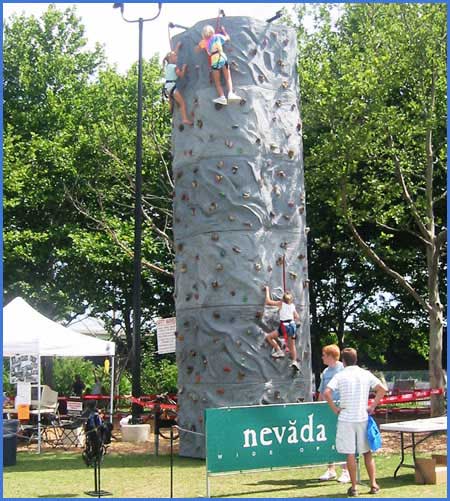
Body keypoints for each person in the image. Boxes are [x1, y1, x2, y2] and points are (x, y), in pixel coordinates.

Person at [324, 348, 387, 497]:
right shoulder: (365, 374)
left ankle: (354, 487)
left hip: (346, 418)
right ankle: (373, 484)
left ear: (343, 361)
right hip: (362, 417)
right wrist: (372, 406)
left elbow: (327, 392)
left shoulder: (340, 375)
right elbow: (382, 389)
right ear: (356, 359)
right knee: (367, 453)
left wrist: (335, 409)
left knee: (350, 453)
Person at [317, 344, 350, 483]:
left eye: (324, 355)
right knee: (329, 438)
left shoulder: (343, 369)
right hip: (327, 409)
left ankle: (346, 471)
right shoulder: (325, 372)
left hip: (341, 409)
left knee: (342, 439)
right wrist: (318, 406)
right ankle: (331, 470)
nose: (322, 357)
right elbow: (321, 391)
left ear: (331, 356)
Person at [195, 24, 241, 105]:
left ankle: (222, 96)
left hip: (214, 60)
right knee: (228, 78)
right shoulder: (218, 37)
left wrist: (201, 44)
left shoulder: (204, 42)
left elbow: (197, 50)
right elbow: (227, 38)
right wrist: (223, 31)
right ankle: (230, 93)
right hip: (222, 57)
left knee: (217, 81)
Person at [264, 286, 300, 370]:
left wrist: (267, 290)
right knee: (292, 345)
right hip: (292, 325)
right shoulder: (292, 306)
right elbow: (297, 316)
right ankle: (294, 361)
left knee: (269, 337)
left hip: (284, 326)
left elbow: (268, 302)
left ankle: (278, 350)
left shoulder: (281, 303)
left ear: (283, 299)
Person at [163, 42, 193, 125]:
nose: (177, 57)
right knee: (182, 103)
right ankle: (185, 119)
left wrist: (177, 47)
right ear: (171, 58)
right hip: (172, 87)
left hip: (167, 87)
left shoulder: (167, 66)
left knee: (173, 98)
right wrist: (184, 68)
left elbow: (173, 54)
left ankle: (171, 106)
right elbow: (181, 75)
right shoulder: (174, 67)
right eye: (175, 56)